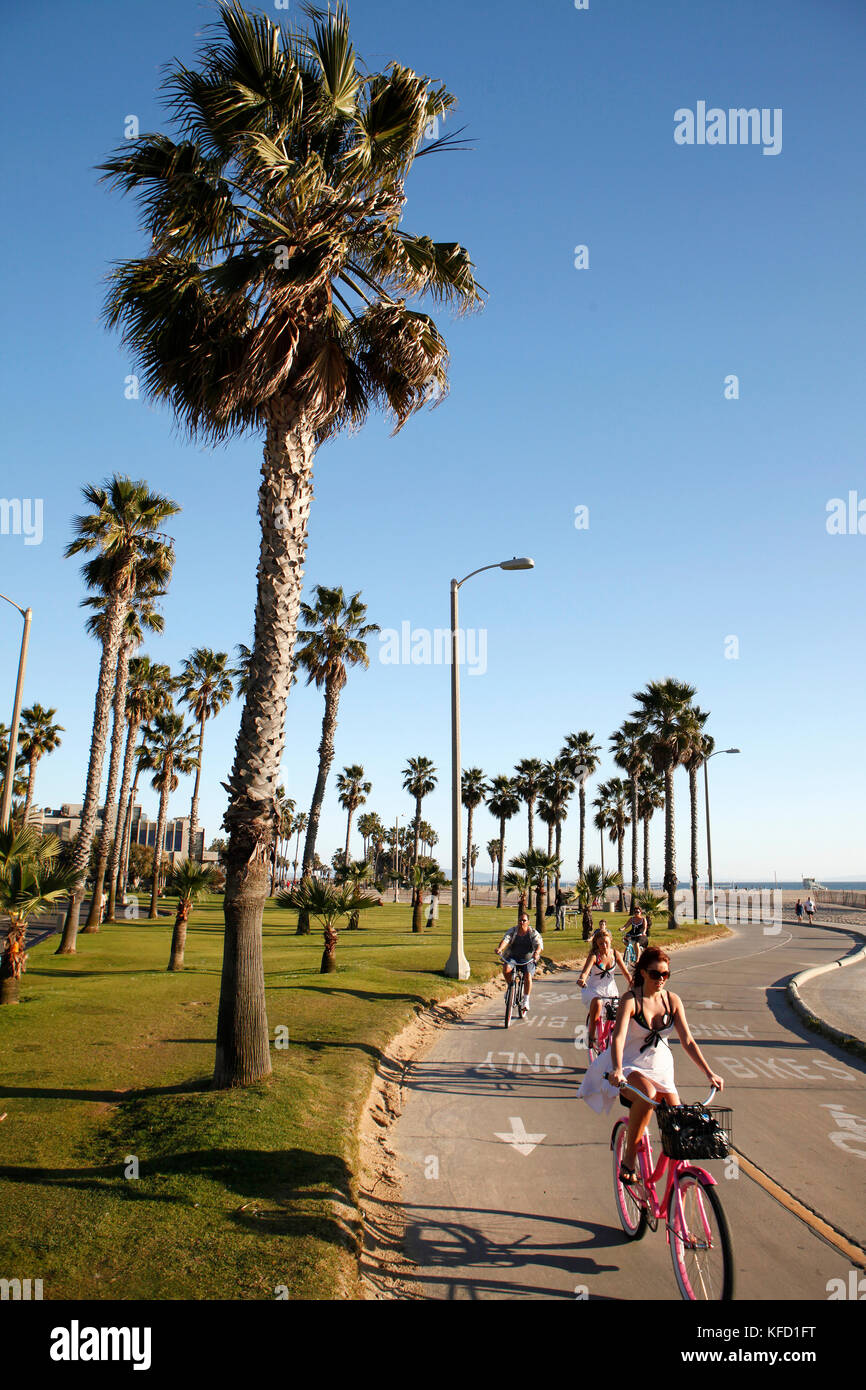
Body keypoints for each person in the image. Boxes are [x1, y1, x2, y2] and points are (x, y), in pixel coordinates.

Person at [577, 945, 724, 1185]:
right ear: (643, 972)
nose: (661, 980)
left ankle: (677, 1202)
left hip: (662, 1069)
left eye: (665, 974)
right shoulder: (631, 1000)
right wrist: (615, 1069)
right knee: (647, 1095)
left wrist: (709, 1073)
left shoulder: (672, 1000)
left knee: (678, 1128)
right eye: (655, 974)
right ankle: (628, 1160)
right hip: (629, 1067)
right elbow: (619, 1037)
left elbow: (687, 1040)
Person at [577, 923, 631, 1048]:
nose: (604, 946)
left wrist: (632, 983)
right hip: (593, 990)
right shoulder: (594, 956)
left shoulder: (616, 954)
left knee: (618, 1014)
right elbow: (585, 972)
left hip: (611, 990)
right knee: (597, 1003)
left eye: (606, 942)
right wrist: (582, 979)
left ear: (610, 941)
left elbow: (626, 973)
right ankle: (591, 1035)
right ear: (597, 944)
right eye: (601, 944)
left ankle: (613, 1039)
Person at [496, 912, 543, 1012]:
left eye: (524, 920)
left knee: (527, 976)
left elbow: (538, 944)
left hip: (528, 959)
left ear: (528, 922)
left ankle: (526, 1000)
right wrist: (500, 948)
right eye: (520, 920)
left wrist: (537, 953)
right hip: (513, 957)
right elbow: (506, 940)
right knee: (506, 969)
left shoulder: (532, 932)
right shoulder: (513, 931)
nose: (521, 922)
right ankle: (511, 987)